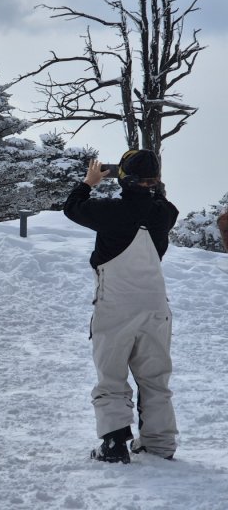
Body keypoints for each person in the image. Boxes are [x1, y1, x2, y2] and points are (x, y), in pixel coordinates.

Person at [63, 150, 179, 464]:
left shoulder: (110, 211)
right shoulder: (165, 213)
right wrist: (152, 185)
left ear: (124, 177)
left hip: (115, 303)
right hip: (155, 305)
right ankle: (160, 444)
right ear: (155, 180)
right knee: (155, 378)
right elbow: (159, 201)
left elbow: (72, 208)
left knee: (112, 376)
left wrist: (89, 182)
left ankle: (114, 443)